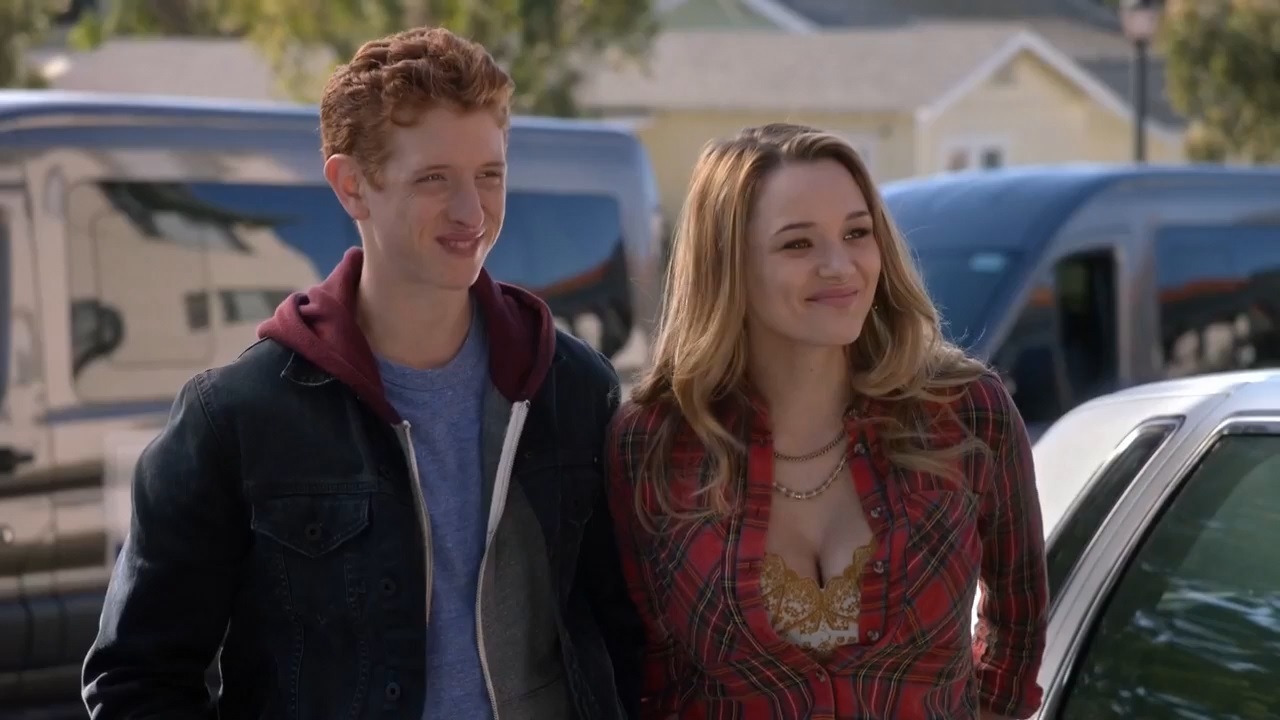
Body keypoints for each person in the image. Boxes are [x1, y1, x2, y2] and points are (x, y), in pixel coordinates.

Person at [82, 26, 642, 720]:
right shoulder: (236, 419)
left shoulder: (573, 389)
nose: (471, 211)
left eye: (489, 175)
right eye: (434, 178)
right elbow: (138, 679)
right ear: (352, 186)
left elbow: (628, 645)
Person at [607, 124, 1048, 720]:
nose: (840, 266)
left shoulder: (966, 411)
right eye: (798, 244)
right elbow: (646, 673)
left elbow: (1017, 630)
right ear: (727, 265)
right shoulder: (652, 444)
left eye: (857, 233)